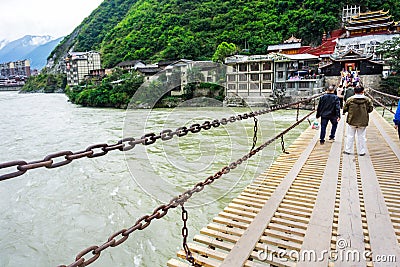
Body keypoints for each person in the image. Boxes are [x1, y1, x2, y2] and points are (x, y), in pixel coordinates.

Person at [343, 86, 374, 156]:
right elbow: (370, 109)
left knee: (350, 135)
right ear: (362, 91)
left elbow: (345, 108)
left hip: (352, 119)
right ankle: (361, 151)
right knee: (362, 136)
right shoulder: (367, 100)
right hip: (363, 120)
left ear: (354, 91)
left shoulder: (350, 99)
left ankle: (348, 150)